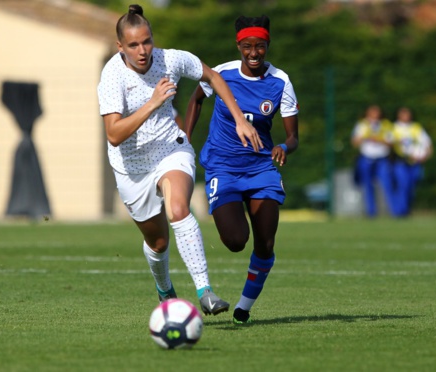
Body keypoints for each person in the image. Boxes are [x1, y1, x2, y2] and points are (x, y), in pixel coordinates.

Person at [97, 4, 264, 316]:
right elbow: (114, 135)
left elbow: (212, 76)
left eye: (147, 41)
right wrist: (153, 102)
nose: (142, 50)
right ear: (120, 47)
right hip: (131, 168)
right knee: (158, 243)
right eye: (133, 45)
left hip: (170, 149)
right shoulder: (112, 76)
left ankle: (205, 291)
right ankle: (164, 290)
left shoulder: (170, 58)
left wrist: (240, 119)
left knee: (178, 209)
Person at [184, 14, 299, 324]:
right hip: (223, 166)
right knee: (236, 241)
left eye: (260, 46)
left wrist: (283, 147)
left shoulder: (280, 82)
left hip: (261, 168)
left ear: (267, 45)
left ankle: (244, 307)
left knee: (266, 241)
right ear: (238, 46)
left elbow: (293, 136)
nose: (253, 53)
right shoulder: (222, 74)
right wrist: (184, 137)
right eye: (247, 46)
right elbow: (196, 100)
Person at [351, 105, 395, 217]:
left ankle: (395, 212)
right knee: (367, 186)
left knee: (387, 184)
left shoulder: (385, 125)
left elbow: (391, 143)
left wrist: (379, 139)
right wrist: (366, 137)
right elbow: (355, 142)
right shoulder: (362, 125)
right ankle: (371, 212)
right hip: (366, 158)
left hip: (382, 158)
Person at [391, 107, 432, 217]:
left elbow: (427, 143)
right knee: (402, 185)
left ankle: (407, 209)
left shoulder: (416, 127)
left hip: (416, 162)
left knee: (411, 186)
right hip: (401, 161)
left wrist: (425, 156)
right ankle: (400, 212)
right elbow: (389, 142)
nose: (406, 116)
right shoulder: (394, 128)